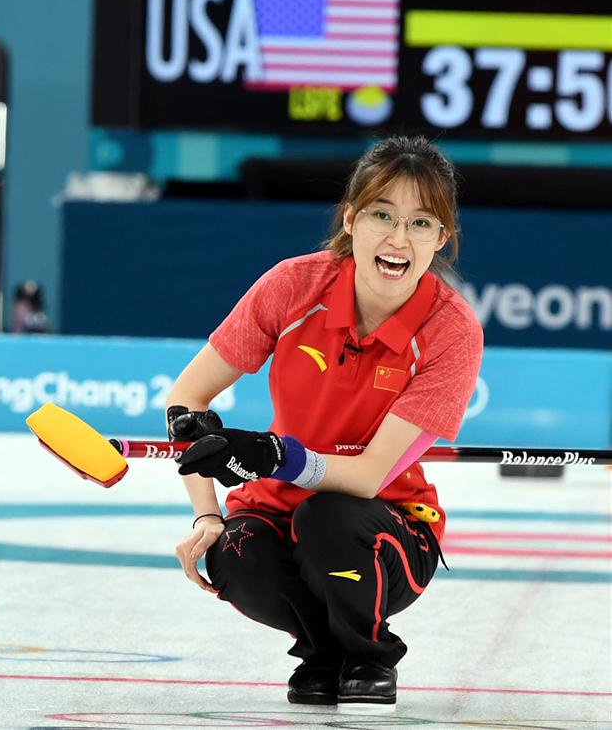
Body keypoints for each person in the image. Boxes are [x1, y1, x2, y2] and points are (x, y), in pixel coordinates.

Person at [167, 135, 483, 712]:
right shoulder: (293, 286)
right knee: (235, 555)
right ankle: (322, 653)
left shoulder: (451, 331)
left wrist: (268, 454)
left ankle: (368, 654)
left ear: (442, 238)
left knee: (329, 518)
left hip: (388, 529)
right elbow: (187, 397)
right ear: (350, 219)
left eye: (419, 223)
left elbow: (365, 479)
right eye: (381, 215)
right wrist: (207, 513)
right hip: (276, 509)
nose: (397, 238)